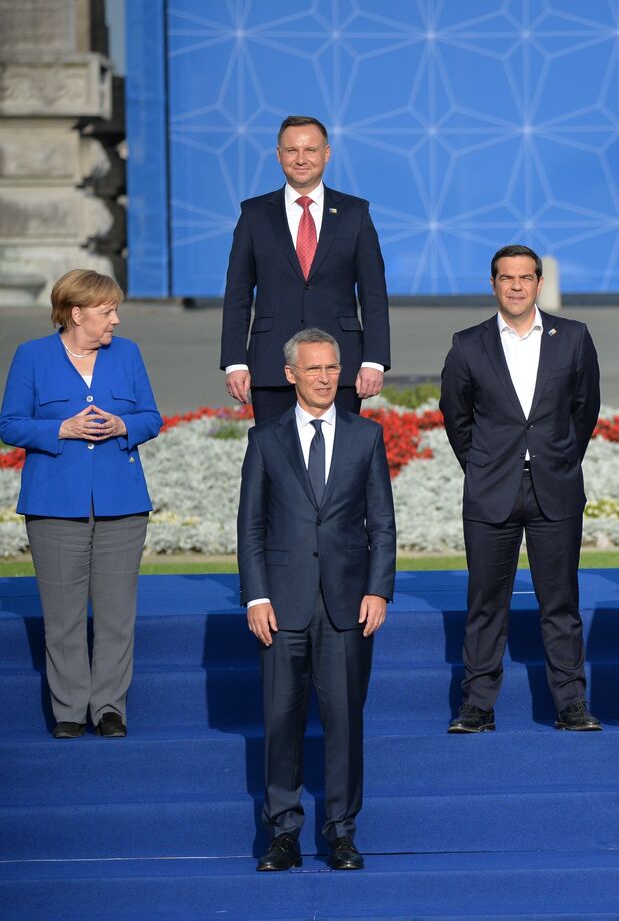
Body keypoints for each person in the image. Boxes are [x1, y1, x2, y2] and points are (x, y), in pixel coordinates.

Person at [237, 328, 396, 872]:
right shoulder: (264, 439)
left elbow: (383, 524)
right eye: (315, 369)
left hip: (349, 605)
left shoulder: (366, 437)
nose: (327, 378)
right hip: (282, 606)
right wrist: (256, 596)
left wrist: (379, 589)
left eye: (333, 368)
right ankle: (283, 834)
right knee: (281, 722)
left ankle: (342, 833)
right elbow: (251, 527)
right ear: (291, 375)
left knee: (345, 723)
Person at [439, 244, 603, 734]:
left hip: (555, 486)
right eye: (505, 277)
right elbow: (456, 416)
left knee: (561, 601)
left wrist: (559, 457)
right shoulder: (468, 344)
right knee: (486, 602)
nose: (515, 286)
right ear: (493, 284)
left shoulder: (572, 337)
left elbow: (584, 409)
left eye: (525, 278)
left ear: (538, 283)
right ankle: (477, 705)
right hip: (492, 489)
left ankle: (570, 702)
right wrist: (484, 463)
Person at [0, 270, 161, 739]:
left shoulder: (127, 354)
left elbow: (152, 417)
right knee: (63, 613)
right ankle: (69, 709)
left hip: (122, 502)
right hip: (54, 502)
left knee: (115, 614)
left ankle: (109, 707)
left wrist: (123, 425)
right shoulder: (32, 356)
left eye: (115, 310)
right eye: (107, 310)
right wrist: (60, 430)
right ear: (76, 313)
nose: (115, 319)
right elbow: (9, 424)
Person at [220, 115, 391, 424]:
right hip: (272, 366)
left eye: (310, 150)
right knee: (278, 463)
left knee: (339, 465)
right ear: (278, 155)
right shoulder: (254, 214)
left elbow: (374, 294)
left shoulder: (355, 213)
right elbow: (237, 295)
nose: (301, 159)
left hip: (340, 366)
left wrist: (375, 360)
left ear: (326, 153)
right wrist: (235, 362)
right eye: (291, 151)